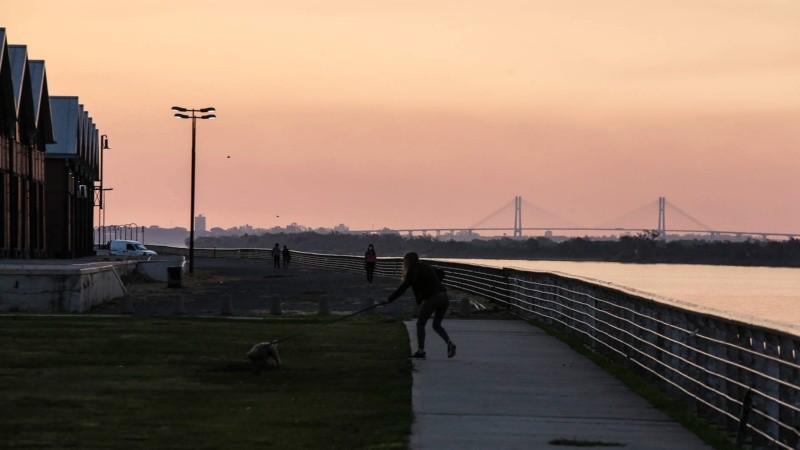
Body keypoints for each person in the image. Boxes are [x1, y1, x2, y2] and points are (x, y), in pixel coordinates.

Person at [385, 252, 456, 359]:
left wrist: (389, 299)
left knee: (420, 324)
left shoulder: (413, 272)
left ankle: (421, 351)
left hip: (434, 298)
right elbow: (441, 273)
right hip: (444, 296)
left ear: (407, 262)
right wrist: (434, 283)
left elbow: (403, 288)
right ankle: (449, 343)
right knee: (436, 325)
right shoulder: (426, 266)